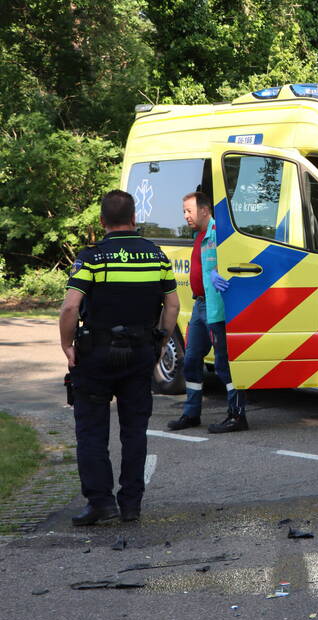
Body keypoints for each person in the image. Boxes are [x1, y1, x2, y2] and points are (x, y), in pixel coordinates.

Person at [59, 190, 180, 526]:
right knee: (134, 431)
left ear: (102, 222)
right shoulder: (155, 255)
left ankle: (101, 504)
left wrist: (67, 345)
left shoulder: (93, 258)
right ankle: (131, 505)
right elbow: (172, 305)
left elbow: (70, 306)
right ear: (134, 218)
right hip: (140, 353)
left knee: (92, 431)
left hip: (96, 355)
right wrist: (161, 341)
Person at [166, 191, 248, 433]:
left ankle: (237, 415)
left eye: (189, 211)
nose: (185, 216)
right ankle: (191, 414)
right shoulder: (199, 235)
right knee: (191, 361)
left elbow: (239, 260)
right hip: (200, 305)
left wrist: (221, 273)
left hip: (218, 309)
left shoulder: (220, 232)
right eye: (183, 211)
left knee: (224, 365)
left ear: (204, 210)